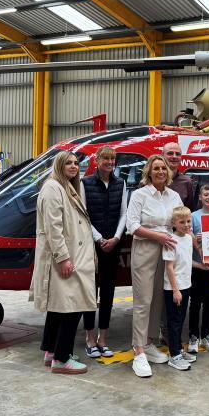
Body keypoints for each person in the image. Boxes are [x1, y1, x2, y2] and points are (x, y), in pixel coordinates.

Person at [30, 151, 96, 374]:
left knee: (58, 308)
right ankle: (61, 359)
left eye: (76, 163)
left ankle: (51, 351)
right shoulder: (53, 188)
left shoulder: (66, 186)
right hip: (66, 258)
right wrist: (63, 257)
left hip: (73, 256)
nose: (74, 166)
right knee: (71, 308)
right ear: (59, 165)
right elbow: (53, 227)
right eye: (68, 163)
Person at [126, 154, 183, 378]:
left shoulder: (174, 196)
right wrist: (157, 236)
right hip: (145, 249)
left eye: (163, 168)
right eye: (156, 168)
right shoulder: (139, 195)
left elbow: (180, 222)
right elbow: (132, 225)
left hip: (167, 251)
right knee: (143, 300)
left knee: (158, 299)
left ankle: (148, 342)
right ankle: (138, 350)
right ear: (149, 172)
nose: (160, 171)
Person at [80, 145, 126, 359]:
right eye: (105, 158)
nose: (109, 162)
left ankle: (102, 339)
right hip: (92, 245)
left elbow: (124, 214)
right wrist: (98, 238)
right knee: (90, 292)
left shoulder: (120, 183)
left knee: (108, 292)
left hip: (113, 245)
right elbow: (83, 215)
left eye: (112, 159)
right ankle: (89, 338)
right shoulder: (85, 183)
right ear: (96, 161)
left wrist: (116, 238)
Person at [187, 183, 209, 354]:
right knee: (195, 302)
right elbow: (186, 239)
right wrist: (196, 238)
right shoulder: (193, 217)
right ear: (200, 197)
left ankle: (206, 336)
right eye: (206, 194)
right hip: (198, 266)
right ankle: (193, 337)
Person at [162, 206, 197, 371]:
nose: (186, 225)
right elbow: (169, 267)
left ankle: (179, 350)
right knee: (174, 322)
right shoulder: (170, 240)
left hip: (186, 285)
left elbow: (188, 261)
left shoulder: (188, 238)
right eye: (182, 222)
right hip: (174, 288)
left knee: (181, 320)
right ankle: (174, 355)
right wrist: (175, 290)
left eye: (188, 221)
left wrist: (203, 265)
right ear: (173, 223)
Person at [163, 141, 195, 208]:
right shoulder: (151, 179)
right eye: (170, 153)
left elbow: (188, 210)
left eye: (178, 154)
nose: (174, 156)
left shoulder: (187, 182)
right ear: (162, 155)